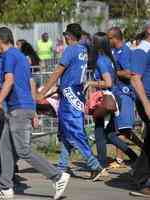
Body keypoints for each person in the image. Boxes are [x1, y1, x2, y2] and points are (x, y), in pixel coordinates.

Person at [0, 27, 70, 200]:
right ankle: (5, 187)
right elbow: (29, 83)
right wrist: (33, 110)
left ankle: (57, 176)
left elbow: (9, 81)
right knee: (5, 146)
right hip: (22, 107)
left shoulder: (9, 55)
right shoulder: (21, 56)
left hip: (18, 108)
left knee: (23, 150)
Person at [37, 23, 106, 181]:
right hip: (76, 93)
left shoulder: (71, 50)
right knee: (65, 131)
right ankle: (62, 166)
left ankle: (95, 165)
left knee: (74, 132)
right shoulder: (83, 49)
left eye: (65, 35)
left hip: (69, 95)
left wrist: (42, 92)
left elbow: (57, 72)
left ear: (68, 36)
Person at [86, 32, 137, 168]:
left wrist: (90, 83)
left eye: (93, 42)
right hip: (113, 99)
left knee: (99, 133)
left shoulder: (101, 60)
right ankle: (134, 157)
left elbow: (108, 82)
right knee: (110, 135)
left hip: (106, 100)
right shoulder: (109, 58)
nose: (91, 44)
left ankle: (100, 166)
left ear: (97, 44)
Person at [107, 27, 143, 167]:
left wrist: (113, 72)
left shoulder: (126, 51)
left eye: (109, 38)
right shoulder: (113, 51)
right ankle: (141, 152)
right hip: (116, 92)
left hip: (125, 93)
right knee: (122, 130)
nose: (107, 40)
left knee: (123, 129)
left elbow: (129, 73)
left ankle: (120, 159)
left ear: (115, 38)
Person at [129, 22, 150, 195]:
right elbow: (135, 79)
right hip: (147, 100)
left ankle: (140, 175)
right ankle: (142, 180)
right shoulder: (141, 50)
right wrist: (147, 104)